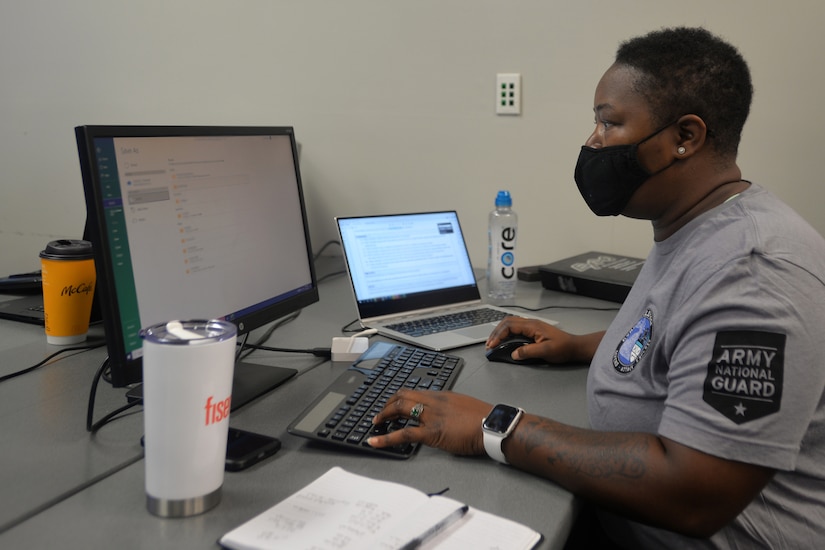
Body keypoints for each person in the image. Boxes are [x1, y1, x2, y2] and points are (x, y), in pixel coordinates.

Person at [368, 26, 825, 548]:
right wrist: (586, 345)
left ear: (686, 137)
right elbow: (681, 331)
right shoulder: (698, 226)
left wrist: (495, 427)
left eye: (610, 123)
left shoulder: (756, 272)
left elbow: (693, 494)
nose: (593, 142)